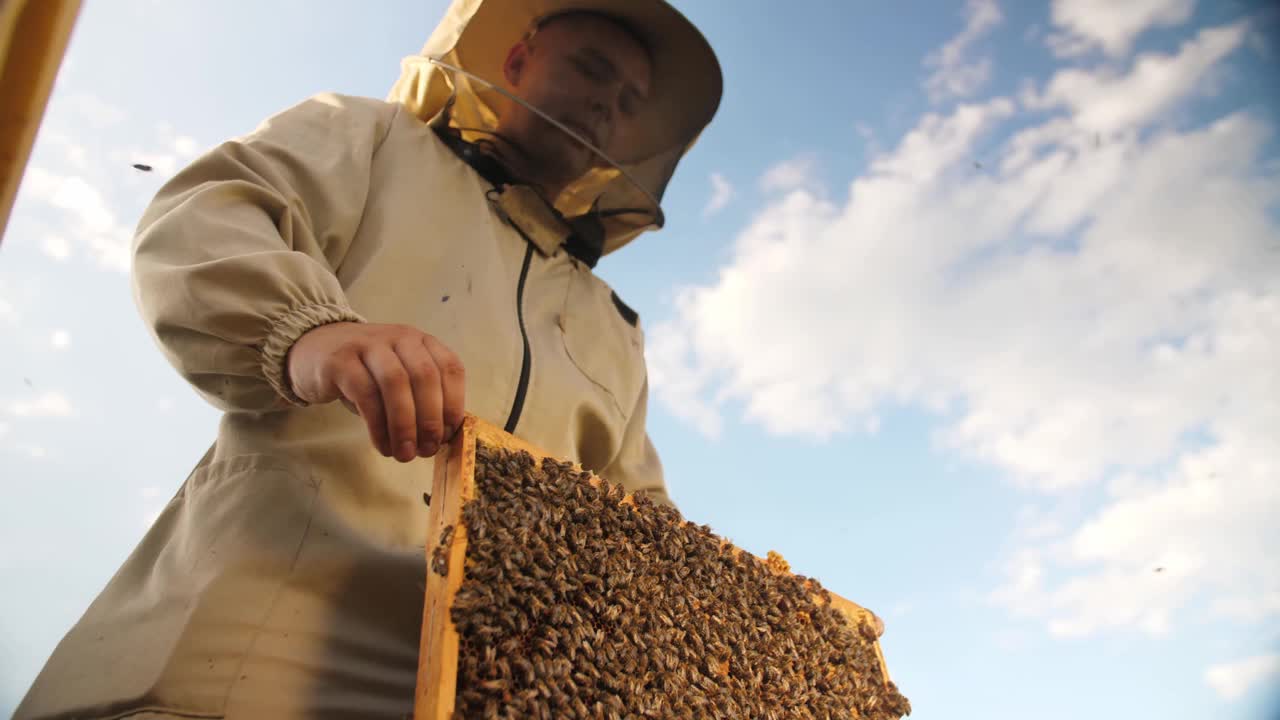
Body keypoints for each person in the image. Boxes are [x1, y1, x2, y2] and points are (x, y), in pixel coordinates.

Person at [15, 0, 721, 717]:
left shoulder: (613, 326)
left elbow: (643, 521)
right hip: (244, 654)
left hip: (493, 689)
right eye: (591, 69)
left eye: (629, 100)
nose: (606, 104)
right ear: (516, 61)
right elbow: (207, 214)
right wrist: (309, 331)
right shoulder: (374, 140)